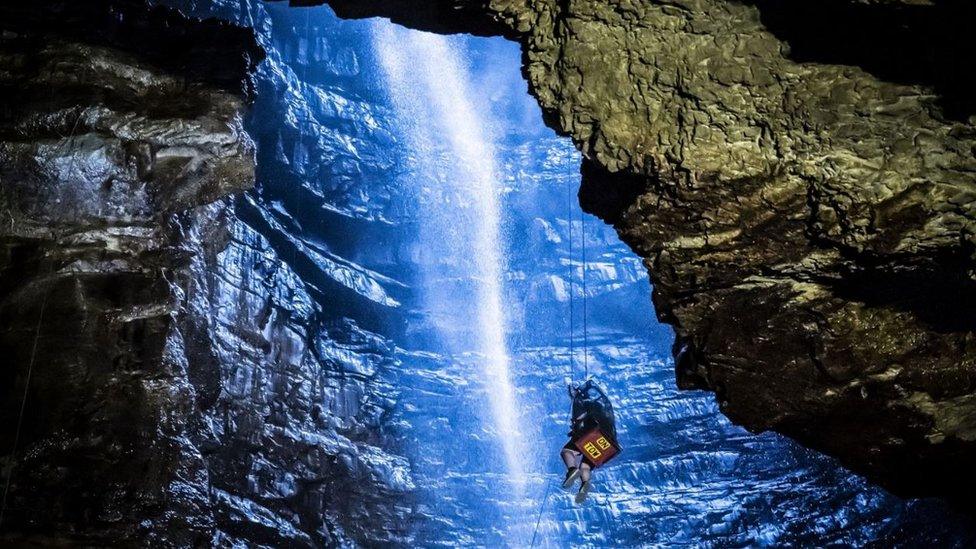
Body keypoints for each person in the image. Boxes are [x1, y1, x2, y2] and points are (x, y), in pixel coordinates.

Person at [560, 377, 617, 503]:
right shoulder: (600, 403)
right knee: (585, 465)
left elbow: (580, 419)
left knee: (566, 451)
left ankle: (572, 470)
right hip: (608, 442)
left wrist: (574, 429)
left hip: (591, 436)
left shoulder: (581, 401)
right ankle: (585, 484)